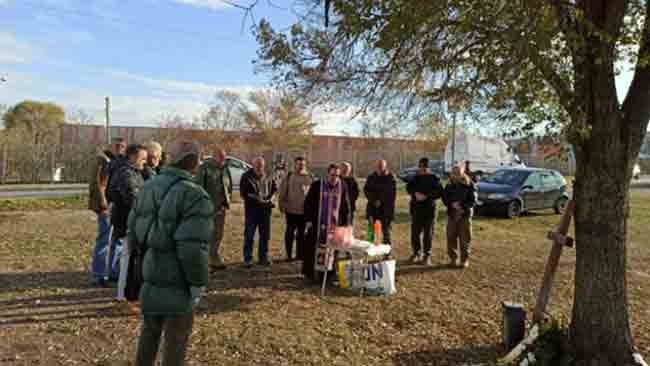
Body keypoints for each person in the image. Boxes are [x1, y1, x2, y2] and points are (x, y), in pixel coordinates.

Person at [129, 140, 213, 366]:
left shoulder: (149, 186)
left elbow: (133, 232)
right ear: (193, 161)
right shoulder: (195, 195)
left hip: (151, 273)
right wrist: (197, 284)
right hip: (178, 283)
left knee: (149, 336)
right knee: (175, 344)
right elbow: (192, 249)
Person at [302, 164, 351, 282]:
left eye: (337, 175)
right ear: (327, 174)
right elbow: (308, 204)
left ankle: (329, 275)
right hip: (317, 223)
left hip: (335, 225)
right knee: (314, 248)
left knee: (333, 249)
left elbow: (346, 206)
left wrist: (346, 223)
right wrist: (308, 220)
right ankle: (311, 274)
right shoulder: (317, 185)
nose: (335, 178)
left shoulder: (342, 186)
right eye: (332, 175)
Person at [88, 137, 125, 287]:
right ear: (110, 145)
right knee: (104, 240)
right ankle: (98, 276)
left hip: (114, 205)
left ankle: (113, 274)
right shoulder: (103, 160)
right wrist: (103, 204)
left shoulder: (117, 161)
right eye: (117, 145)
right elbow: (96, 183)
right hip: (105, 205)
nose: (119, 148)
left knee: (116, 240)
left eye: (122, 146)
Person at [112, 144, 147, 300]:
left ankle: (129, 292)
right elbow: (132, 198)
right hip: (125, 221)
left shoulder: (135, 173)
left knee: (130, 256)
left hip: (132, 220)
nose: (144, 162)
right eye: (143, 158)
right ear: (133, 157)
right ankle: (122, 294)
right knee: (126, 257)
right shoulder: (126, 174)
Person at [195, 148, 232, 271]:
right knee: (207, 235)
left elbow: (229, 185)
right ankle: (204, 261)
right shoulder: (204, 168)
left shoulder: (225, 168)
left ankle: (214, 257)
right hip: (208, 208)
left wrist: (227, 200)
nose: (223, 159)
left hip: (221, 207)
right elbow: (199, 188)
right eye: (220, 157)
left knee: (218, 234)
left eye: (224, 157)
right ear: (213, 157)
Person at [240, 157, 277, 267]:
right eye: (257, 165)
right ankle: (248, 259)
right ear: (253, 165)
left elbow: (274, 190)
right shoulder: (246, 176)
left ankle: (263, 257)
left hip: (265, 211)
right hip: (252, 211)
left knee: (265, 236)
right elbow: (244, 193)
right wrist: (257, 199)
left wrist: (272, 199)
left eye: (261, 165)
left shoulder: (269, 176)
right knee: (249, 235)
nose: (259, 167)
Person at [406, 157, 443, 266]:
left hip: (429, 210)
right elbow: (408, 188)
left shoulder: (434, 178)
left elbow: (439, 192)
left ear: (429, 168)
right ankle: (416, 253)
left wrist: (426, 196)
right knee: (415, 233)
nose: (422, 169)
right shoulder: (415, 177)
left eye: (424, 167)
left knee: (428, 234)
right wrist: (415, 193)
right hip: (416, 209)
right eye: (421, 167)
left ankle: (427, 255)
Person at [442, 163, 477, 268]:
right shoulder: (449, 185)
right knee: (451, 238)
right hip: (452, 215)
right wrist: (451, 204)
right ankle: (453, 259)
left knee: (465, 239)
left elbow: (473, 200)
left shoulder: (469, 184)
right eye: (454, 173)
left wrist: (462, 206)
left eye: (458, 173)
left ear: (462, 173)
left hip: (464, 215)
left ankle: (464, 260)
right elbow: (445, 198)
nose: (456, 175)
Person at [278, 156, 313, 261]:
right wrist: (281, 205)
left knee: (301, 234)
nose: (300, 166)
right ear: (295, 165)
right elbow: (282, 192)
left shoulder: (309, 177)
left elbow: (312, 195)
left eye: (302, 164)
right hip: (291, 210)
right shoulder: (289, 176)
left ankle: (300, 255)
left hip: (304, 212)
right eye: (298, 164)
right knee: (290, 233)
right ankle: (288, 255)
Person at [364, 159, 397, 245]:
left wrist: (380, 201)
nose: (380, 168)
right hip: (372, 208)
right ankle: (369, 250)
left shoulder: (390, 177)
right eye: (378, 166)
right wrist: (374, 200)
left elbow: (391, 193)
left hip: (386, 209)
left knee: (386, 231)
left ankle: (387, 252)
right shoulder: (371, 177)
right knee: (371, 231)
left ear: (385, 166)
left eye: (381, 166)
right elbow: (366, 190)